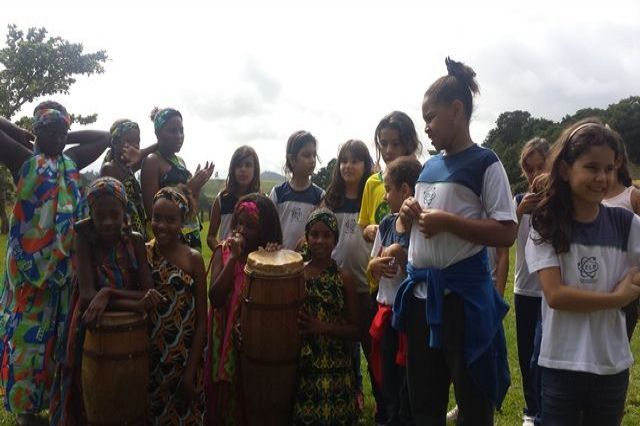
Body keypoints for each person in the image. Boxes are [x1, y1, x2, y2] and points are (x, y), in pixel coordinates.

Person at [393, 58, 515, 425]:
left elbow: (507, 231)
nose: (426, 127)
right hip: (420, 299)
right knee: (424, 400)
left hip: (461, 303)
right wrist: (407, 213)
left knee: (472, 398)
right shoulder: (428, 167)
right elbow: (408, 230)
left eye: (430, 117)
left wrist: (448, 222)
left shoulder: (486, 163)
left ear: (457, 110)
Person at [0, 102, 110, 426]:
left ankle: (56, 404)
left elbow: (105, 137)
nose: (59, 138)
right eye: (51, 131)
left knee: (59, 342)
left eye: (63, 132)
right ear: (36, 132)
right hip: (27, 277)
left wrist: (68, 131)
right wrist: (17, 131)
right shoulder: (24, 160)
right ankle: (26, 412)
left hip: (63, 276)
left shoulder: (71, 162)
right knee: (25, 345)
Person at [526, 119, 640, 425]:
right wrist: (616, 297)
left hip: (611, 365)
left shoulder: (626, 224)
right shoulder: (545, 224)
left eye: (609, 168)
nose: (602, 177)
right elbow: (556, 295)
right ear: (565, 170)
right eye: (591, 167)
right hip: (560, 365)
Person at [49, 177, 163, 425]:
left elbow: (149, 292)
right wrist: (133, 303)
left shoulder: (134, 241)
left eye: (115, 214)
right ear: (91, 214)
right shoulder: (84, 238)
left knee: (129, 389)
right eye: (100, 216)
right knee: (86, 386)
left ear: (125, 211)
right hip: (91, 323)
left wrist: (108, 293)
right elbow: (89, 296)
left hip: (130, 328)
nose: (108, 222)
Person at [359, 111, 422, 424]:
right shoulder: (385, 219)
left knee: (411, 378)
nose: (387, 149)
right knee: (385, 373)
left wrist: (403, 251)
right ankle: (388, 414)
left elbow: (429, 260)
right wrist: (376, 261)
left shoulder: (424, 211)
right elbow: (370, 260)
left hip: (411, 312)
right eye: (382, 143)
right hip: (385, 306)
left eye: (394, 143)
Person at [206, 193, 282, 425]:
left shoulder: (267, 257)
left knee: (249, 393)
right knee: (222, 396)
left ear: (265, 230)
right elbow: (216, 297)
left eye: (250, 226)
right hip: (222, 337)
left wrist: (271, 258)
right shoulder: (223, 251)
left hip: (253, 340)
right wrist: (233, 259)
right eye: (239, 222)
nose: (241, 230)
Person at [146, 186, 208, 424]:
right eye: (157, 218)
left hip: (185, 362)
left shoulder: (193, 259)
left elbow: (202, 321)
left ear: (182, 222)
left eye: (171, 220)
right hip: (151, 361)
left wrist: (191, 372)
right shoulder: (144, 254)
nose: (162, 225)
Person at [293, 208, 359, 425]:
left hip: (337, 369)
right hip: (305, 368)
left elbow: (356, 330)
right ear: (306, 238)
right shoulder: (296, 274)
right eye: (314, 234)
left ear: (335, 240)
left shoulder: (344, 278)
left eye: (326, 235)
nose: (320, 241)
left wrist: (322, 327)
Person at [323, 139, 374, 413]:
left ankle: (383, 400)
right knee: (343, 346)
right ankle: (350, 395)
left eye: (355, 160)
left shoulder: (372, 195)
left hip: (367, 285)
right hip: (336, 285)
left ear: (366, 164)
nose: (348, 166)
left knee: (371, 345)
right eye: (343, 160)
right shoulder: (330, 199)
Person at [513, 137, 550, 426]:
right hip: (524, 288)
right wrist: (520, 211)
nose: (536, 174)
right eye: (530, 168)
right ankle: (530, 408)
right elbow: (503, 237)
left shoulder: (563, 202)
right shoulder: (517, 202)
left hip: (553, 290)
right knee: (526, 352)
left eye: (542, 166)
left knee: (546, 355)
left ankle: (546, 408)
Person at [140, 107, 214, 250]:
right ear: (158, 133)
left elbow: (191, 208)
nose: (179, 135)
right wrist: (190, 187)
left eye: (181, 130)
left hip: (190, 233)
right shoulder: (152, 161)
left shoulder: (180, 162)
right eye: (172, 131)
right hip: (169, 241)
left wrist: (197, 187)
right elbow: (152, 210)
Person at [602, 138, 640, 340]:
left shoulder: (632, 196)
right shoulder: (591, 199)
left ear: (617, 161)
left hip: (628, 286)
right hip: (600, 285)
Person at [269, 130, 324, 251]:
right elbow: (269, 226)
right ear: (292, 159)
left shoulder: (319, 196)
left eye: (314, 155)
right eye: (306, 155)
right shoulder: (278, 193)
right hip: (279, 260)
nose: (312, 160)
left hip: (307, 263)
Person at [100, 119, 150, 239]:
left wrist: (139, 154)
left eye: (137, 141)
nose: (135, 146)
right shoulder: (110, 169)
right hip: (124, 233)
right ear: (115, 143)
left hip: (138, 231)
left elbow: (158, 147)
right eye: (128, 141)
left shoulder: (128, 168)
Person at [207, 145, 261, 250]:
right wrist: (222, 252)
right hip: (226, 264)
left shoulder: (261, 201)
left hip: (250, 262)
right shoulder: (221, 199)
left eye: (248, 165)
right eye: (238, 165)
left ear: (255, 169)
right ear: (232, 169)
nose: (243, 169)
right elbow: (211, 236)